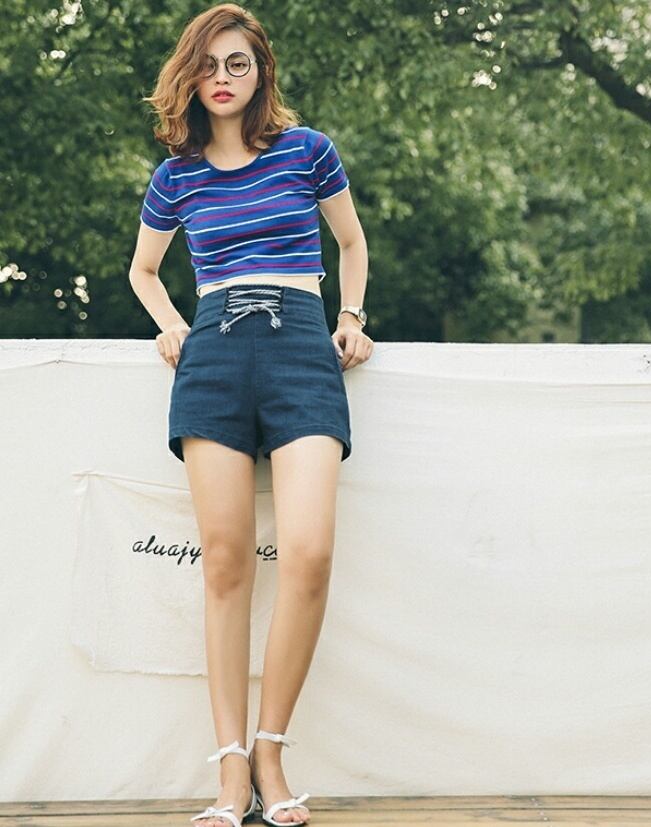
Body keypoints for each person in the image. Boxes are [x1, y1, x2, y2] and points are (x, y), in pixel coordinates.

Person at [128, 5, 372, 826]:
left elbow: (351, 242)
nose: (224, 78)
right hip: (215, 356)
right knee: (228, 563)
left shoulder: (308, 151)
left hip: (303, 347)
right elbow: (144, 270)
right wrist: (172, 325)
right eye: (209, 65)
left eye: (239, 63)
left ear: (261, 69)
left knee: (308, 553)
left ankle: (272, 748)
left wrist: (352, 316)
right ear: (191, 77)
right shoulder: (177, 175)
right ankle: (232, 771)